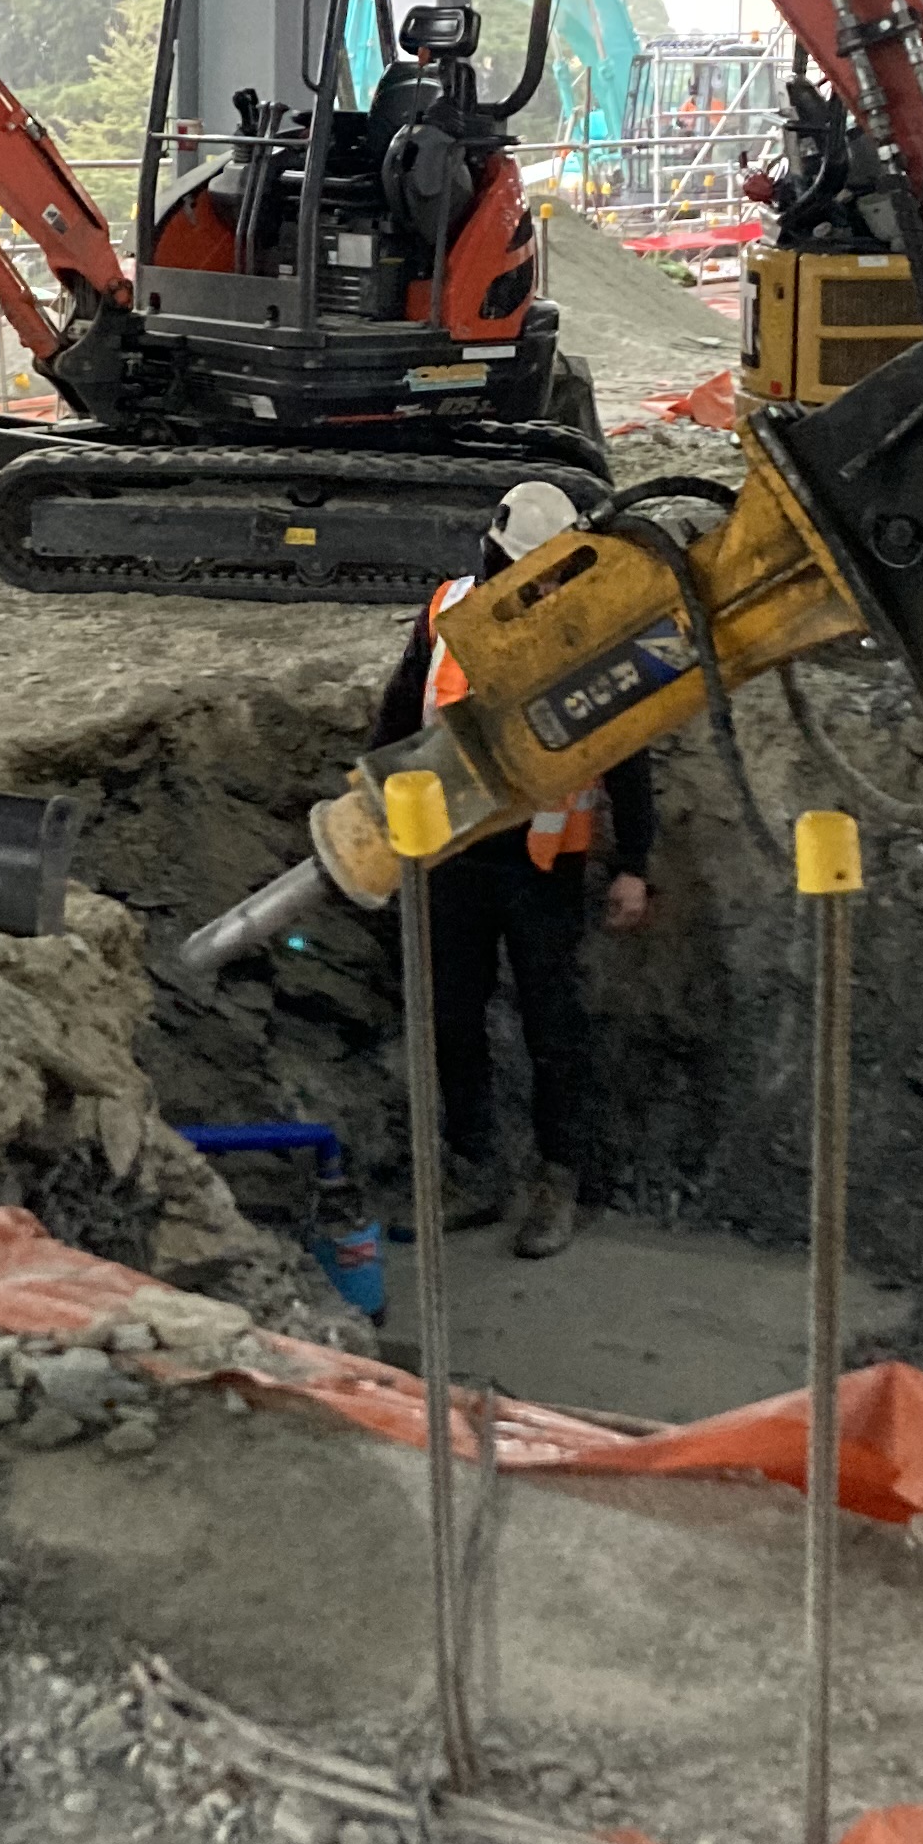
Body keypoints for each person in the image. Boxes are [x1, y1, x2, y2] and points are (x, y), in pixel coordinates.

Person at [370, 478, 655, 1259]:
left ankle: (560, 1177)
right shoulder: (447, 612)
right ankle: (474, 1169)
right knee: (451, 1019)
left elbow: (626, 750)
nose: (546, 585)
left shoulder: (588, 630)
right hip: (451, 853)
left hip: (541, 862)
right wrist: (377, 806)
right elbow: (399, 716)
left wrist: (634, 862)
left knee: (552, 1026)